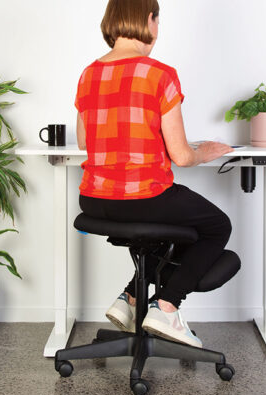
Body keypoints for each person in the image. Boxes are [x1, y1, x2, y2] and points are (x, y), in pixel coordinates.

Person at [74, 0, 234, 348]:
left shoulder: (88, 74)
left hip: (94, 200)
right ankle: (167, 305)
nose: (158, 31)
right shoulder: (160, 74)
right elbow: (182, 156)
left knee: (171, 232)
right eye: (157, 21)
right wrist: (205, 151)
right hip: (143, 197)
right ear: (149, 19)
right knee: (217, 226)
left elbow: (85, 142)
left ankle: (131, 298)